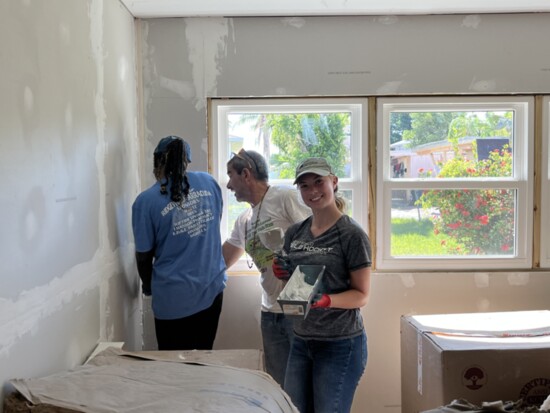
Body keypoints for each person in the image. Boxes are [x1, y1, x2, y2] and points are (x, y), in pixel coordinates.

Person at [272, 157, 372, 413]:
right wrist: (282, 272)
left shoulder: (351, 234)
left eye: (319, 182)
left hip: (340, 344)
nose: (313, 191)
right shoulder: (296, 232)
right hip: (302, 339)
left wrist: (328, 300)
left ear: (334, 182)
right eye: (304, 185)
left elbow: (361, 295)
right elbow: (295, 284)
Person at [222, 148, 311, 387]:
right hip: (270, 311)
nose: (229, 185)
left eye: (231, 175)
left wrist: (295, 303)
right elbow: (224, 258)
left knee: (303, 381)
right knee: (278, 383)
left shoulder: (284, 197)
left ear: (246, 175)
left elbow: (316, 239)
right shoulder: (244, 219)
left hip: (298, 309)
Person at [132, 136, 227, 351]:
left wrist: (148, 286)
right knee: (203, 357)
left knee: (173, 369)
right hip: (212, 290)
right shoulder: (209, 182)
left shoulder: (146, 201)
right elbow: (214, 224)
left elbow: (144, 256)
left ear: (157, 161)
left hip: (174, 299)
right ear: (187, 161)